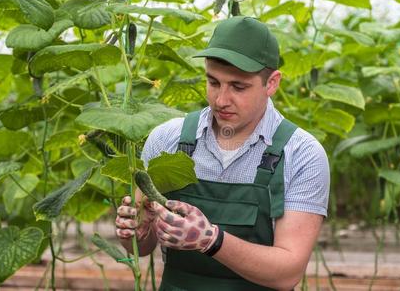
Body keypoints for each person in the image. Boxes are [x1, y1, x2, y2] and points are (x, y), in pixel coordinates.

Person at [115, 16, 330, 291]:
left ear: (272, 83)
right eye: (213, 82)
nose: (221, 100)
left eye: (238, 87)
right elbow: (142, 247)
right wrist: (134, 231)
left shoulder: (302, 154)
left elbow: (287, 273)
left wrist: (210, 240)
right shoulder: (168, 139)